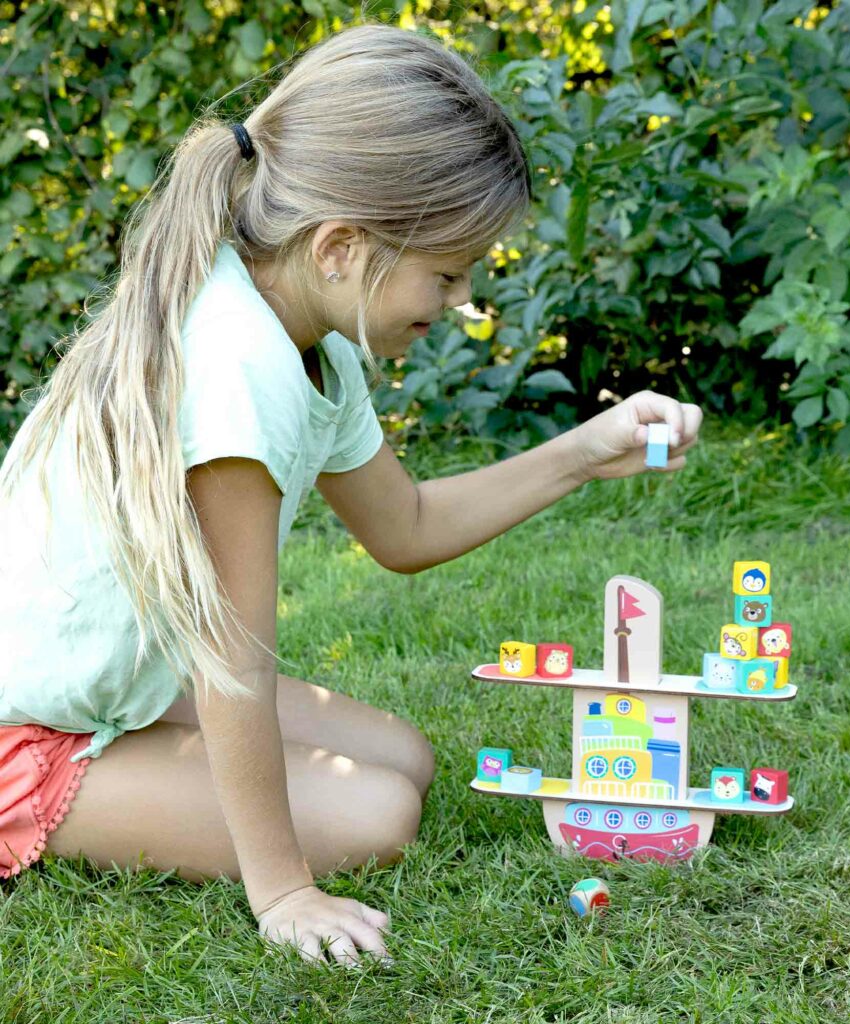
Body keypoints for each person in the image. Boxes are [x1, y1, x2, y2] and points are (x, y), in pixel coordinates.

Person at [0, 23, 701, 967]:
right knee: (376, 814)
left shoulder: (308, 339)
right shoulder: (238, 368)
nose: (460, 301)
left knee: (406, 761)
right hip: (29, 730)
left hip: (123, 685)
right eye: (446, 273)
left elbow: (404, 527)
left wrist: (583, 452)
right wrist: (284, 890)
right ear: (340, 247)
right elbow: (233, 665)